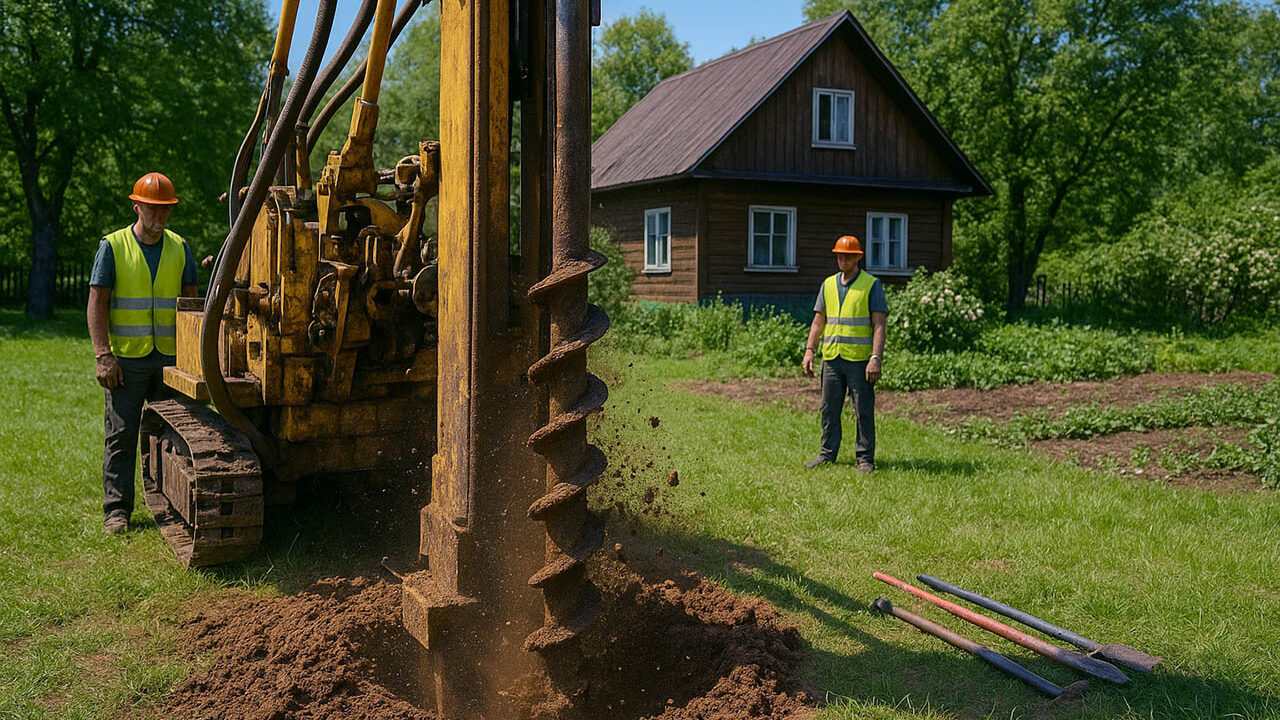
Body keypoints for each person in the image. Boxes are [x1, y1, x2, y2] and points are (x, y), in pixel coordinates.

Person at [87, 172, 199, 534]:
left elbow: (192, 304)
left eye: (165, 210)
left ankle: (175, 503)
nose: (159, 217)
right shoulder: (113, 245)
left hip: (171, 359)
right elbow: (97, 303)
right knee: (121, 434)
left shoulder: (180, 247)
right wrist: (103, 354)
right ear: (137, 206)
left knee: (176, 433)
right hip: (128, 360)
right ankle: (117, 511)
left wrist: (193, 358)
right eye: (152, 209)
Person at [801, 235, 888, 471]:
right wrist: (810, 350)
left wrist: (876, 358)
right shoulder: (828, 285)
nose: (841, 259)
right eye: (839, 254)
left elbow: (879, 324)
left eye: (847, 255)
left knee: (863, 411)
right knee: (828, 409)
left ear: (858, 257)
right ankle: (827, 454)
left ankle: (865, 459)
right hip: (832, 358)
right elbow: (818, 322)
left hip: (860, 361)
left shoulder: (871, 285)